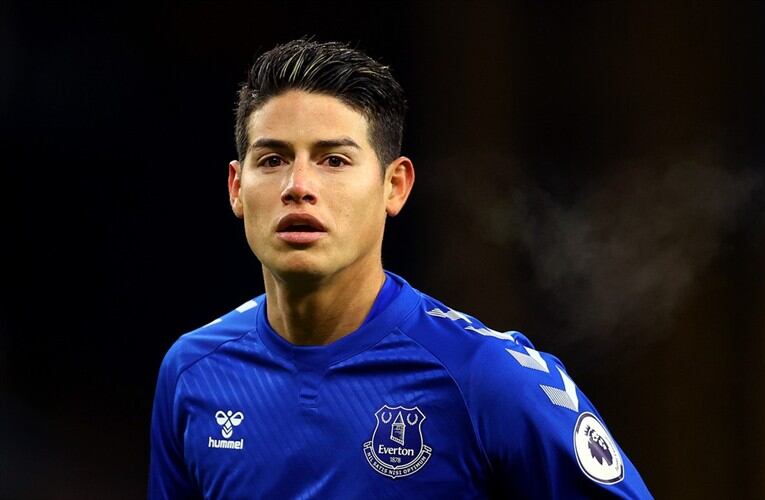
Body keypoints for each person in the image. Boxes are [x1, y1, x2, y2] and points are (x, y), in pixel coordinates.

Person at [148, 38, 652, 499]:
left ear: (395, 186)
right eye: (273, 159)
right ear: (236, 188)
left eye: (334, 160)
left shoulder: (485, 376)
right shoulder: (193, 372)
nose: (298, 185)